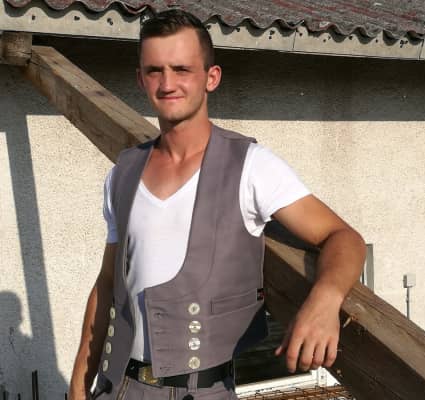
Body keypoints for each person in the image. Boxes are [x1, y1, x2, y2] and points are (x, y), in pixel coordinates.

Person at [68, 9, 366, 400]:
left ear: (211, 77)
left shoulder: (252, 167)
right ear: (140, 79)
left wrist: (324, 300)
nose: (167, 84)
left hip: (205, 391)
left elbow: (343, 237)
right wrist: (78, 386)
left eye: (182, 69)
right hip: (118, 387)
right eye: (155, 71)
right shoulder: (122, 174)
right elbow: (108, 283)